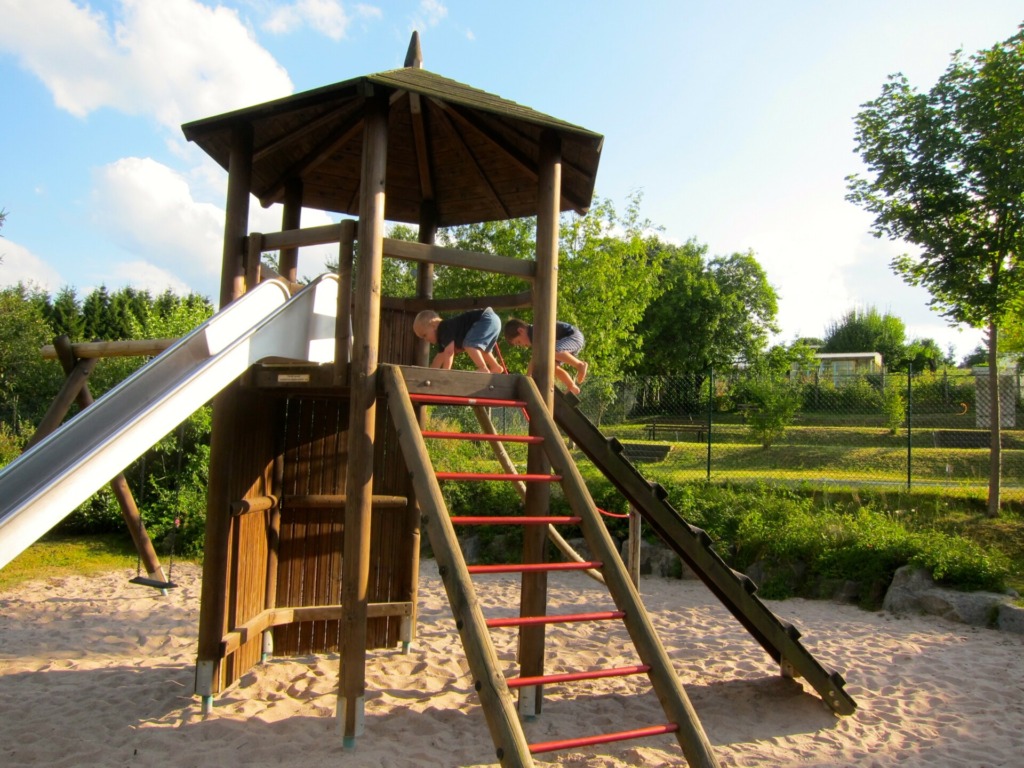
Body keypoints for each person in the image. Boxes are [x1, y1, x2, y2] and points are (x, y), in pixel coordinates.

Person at [503, 317, 589, 395]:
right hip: (562, 343)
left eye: (518, 342)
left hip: (573, 336)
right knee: (552, 366)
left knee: (550, 352)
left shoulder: (534, 332)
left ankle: (579, 365)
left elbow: (534, 358)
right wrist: (528, 375)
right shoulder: (533, 337)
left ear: (521, 331)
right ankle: (571, 386)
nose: (521, 345)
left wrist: (528, 376)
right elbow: (535, 358)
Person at [413, 307, 504, 373]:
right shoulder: (443, 338)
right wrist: (430, 373)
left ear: (433, 325)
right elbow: (439, 358)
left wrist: (445, 372)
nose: (426, 339)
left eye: (424, 335)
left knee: (469, 344)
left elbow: (449, 352)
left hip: (485, 318)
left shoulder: (444, 328)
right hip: (493, 320)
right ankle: (495, 367)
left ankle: (482, 368)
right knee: (481, 349)